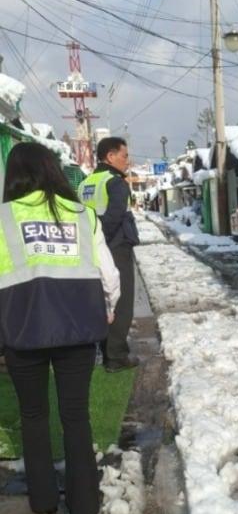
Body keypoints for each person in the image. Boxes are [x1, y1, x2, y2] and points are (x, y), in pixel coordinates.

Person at [0, 143, 120, 514]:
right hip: (78, 328)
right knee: (76, 416)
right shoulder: (83, 216)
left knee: (33, 416)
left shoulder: (3, 219)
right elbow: (110, 276)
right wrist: (109, 307)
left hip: (21, 330)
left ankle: (44, 500)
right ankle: (84, 507)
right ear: (53, 170)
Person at [78, 137, 140, 373]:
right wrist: (104, 243)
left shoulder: (86, 183)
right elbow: (113, 218)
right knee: (121, 303)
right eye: (124, 156)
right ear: (111, 156)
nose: (127, 160)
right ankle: (116, 357)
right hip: (115, 249)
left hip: (90, 248)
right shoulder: (116, 183)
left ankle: (104, 350)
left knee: (102, 301)